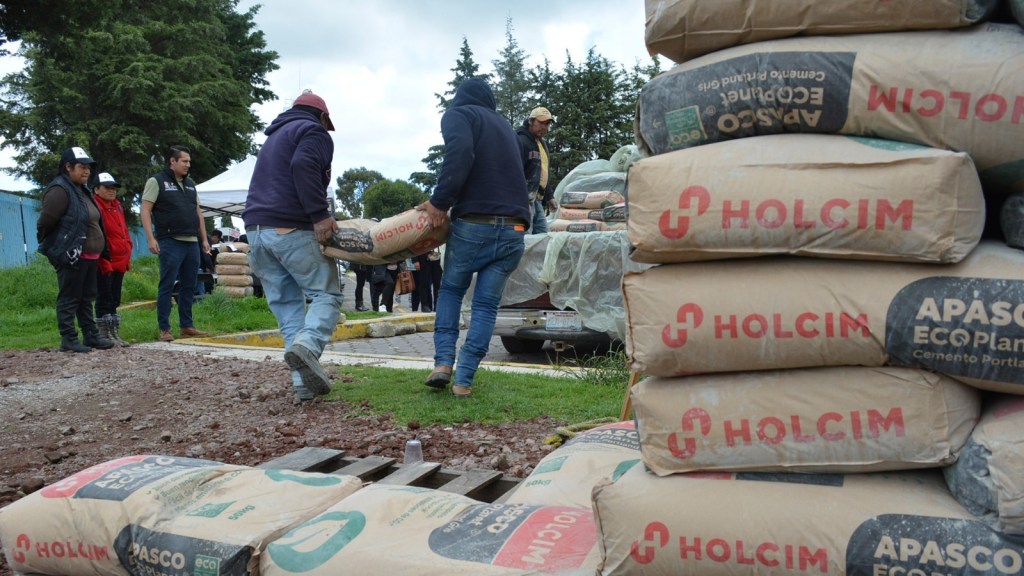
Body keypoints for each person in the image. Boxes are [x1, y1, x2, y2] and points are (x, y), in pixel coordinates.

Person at [417, 77, 530, 398]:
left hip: (475, 224)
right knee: (485, 305)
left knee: (452, 290)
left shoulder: (459, 114)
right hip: (515, 228)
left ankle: (443, 364)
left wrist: (440, 202)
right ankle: (464, 381)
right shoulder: (506, 127)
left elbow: (461, 153)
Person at [242, 90, 343, 402]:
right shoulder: (313, 131)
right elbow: (303, 165)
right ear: (323, 117)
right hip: (290, 226)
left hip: (256, 231)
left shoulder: (274, 138)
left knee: (288, 308)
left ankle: (303, 386)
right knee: (326, 294)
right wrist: (320, 215)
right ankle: (309, 346)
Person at [36, 147, 115, 352]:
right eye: (82, 167)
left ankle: (90, 335)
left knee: (86, 297)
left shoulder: (82, 190)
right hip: (71, 255)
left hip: (90, 255)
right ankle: (69, 338)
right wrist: (58, 249)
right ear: (68, 167)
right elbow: (45, 222)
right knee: (70, 297)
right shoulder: (60, 190)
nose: (87, 171)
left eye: (89, 167)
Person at [140, 145, 210, 342]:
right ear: (172, 161)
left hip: (191, 242)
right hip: (170, 241)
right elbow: (145, 210)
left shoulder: (190, 185)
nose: (188, 165)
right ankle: (164, 328)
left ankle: (186, 325)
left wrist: (204, 239)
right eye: (184, 161)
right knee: (167, 284)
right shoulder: (156, 181)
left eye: (189, 161)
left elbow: (198, 213)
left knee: (190, 285)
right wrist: (150, 238)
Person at [92, 172, 132, 347]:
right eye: (107, 187)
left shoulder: (118, 207)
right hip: (105, 260)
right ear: (96, 189)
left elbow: (123, 230)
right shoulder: (95, 207)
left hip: (120, 259)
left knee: (115, 298)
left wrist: (128, 249)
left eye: (114, 188)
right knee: (104, 297)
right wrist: (103, 257)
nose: (112, 191)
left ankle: (114, 333)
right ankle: (104, 335)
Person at [517, 106, 558, 234]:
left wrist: (549, 196)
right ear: (530, 121)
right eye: (541, 122)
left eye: (547, 124)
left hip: (537, 200)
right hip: (523, 201)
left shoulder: (543, 145)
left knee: (543, 236)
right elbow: (514, 171)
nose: (544, 127)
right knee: (524, 236)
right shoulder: (520, 141)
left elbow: (542, 173)